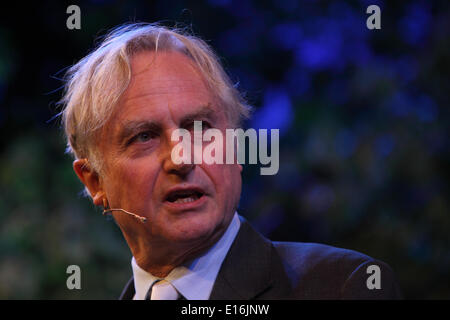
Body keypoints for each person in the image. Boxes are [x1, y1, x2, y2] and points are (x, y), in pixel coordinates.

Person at [60, 23, 402, 300]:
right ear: (95, 182)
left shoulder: (345, 287)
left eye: (200, 128)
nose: (182, 158)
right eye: (145, 137)